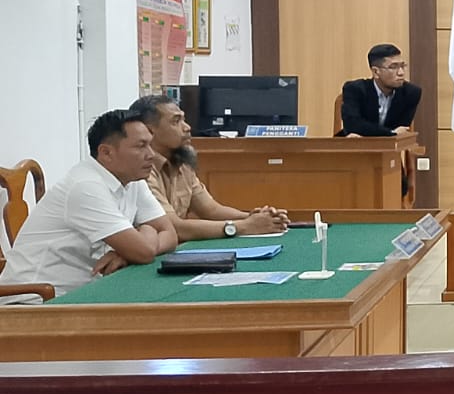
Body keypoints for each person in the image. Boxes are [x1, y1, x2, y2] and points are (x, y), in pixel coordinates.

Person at [1, 109, 177, 296]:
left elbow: (170, 235)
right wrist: (146, 230)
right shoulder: (85, 186)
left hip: (84, 291)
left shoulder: (133, 179)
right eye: (141, 146)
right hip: (34, 299)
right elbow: (144, 252)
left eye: (150, 145)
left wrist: (127, 252)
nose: (151, 154)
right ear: (106, 153)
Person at [128, 94, 290, 241]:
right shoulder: (141, 170)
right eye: (176, 121)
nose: (187, 127)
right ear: (149, 130)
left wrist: (254, 218)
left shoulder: (182, 162)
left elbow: (211, 210)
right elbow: (174, 228)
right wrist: (244, 226)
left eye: (184, 119)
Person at [340, 43, 421, 137]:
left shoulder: (411, 93)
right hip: (357, 143)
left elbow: (402, 130)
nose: (401, 73)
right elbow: (353, 125)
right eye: (393, 67)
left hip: (390, 146)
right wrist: (390, 133)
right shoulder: (354, 89)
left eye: (402, 66)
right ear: (375, 72)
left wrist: (390, 134)